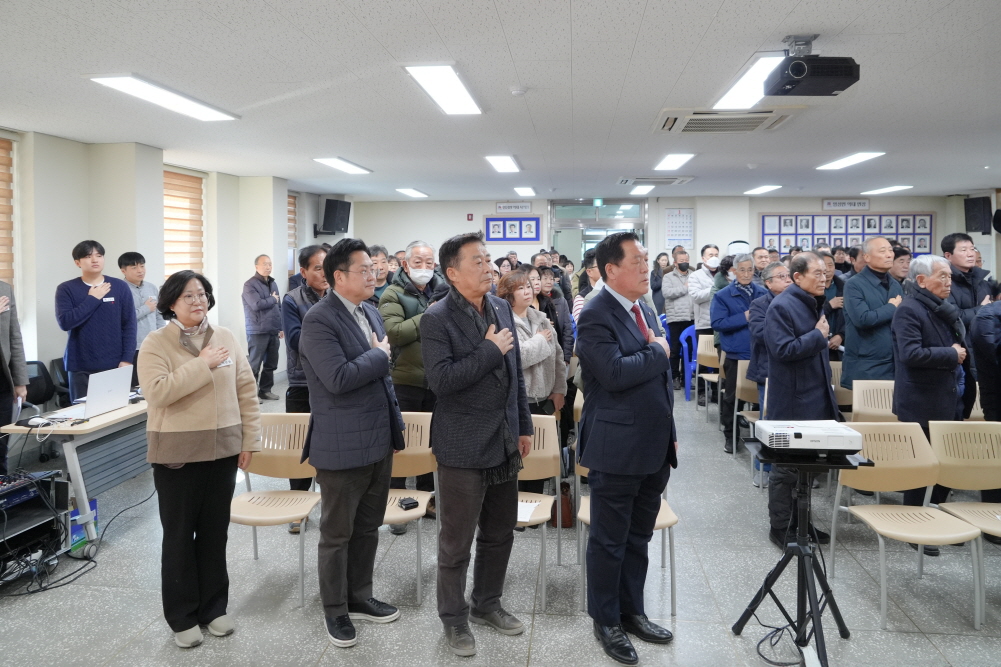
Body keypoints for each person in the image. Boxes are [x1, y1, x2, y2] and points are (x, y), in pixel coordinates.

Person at [420, 231, 533, 656]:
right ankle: (454, 619)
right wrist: (488, 350)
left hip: (503, 438)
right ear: (452, 272)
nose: (489, 268)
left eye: (489, 260)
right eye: (478, 262)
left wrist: (522, 425)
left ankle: (488, 603)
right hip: (463, 444)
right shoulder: (436, 318)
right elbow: (442, 381)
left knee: (500, 531)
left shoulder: (501, 305)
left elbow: (516, 372)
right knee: (456, 540)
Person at [138, 270, 261, 649]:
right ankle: (181, 616)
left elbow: (246, 388)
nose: (198, 301)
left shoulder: (224, 336)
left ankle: (213, 608)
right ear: (171, 303)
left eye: (202, 294)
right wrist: (202, 363)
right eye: (188, 296)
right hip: (176, 455)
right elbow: (157, 393)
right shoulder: (156, 343)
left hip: (222, 450)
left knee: (213, 533)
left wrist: (249, 439)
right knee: (178, 536)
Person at [298, 238, 405, 649]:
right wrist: (379, 356)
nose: (374, 275)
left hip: (378, 440)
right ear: (338, 276)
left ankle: (359, 596)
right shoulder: (319, 320)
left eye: (375, 268)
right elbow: (338, 378)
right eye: (364, 270)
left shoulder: (371, 312)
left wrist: (393, 430)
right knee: (337, 533)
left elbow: (384, 381)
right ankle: (335, 611)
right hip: (341, 444)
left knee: (368, 528)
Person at [576, 232, 677, 665]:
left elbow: (653, 377)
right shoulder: (596, 314)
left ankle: (632, 610)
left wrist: (670, 429)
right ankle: (606, 620)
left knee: (638, 537)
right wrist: (658, 351)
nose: (645, 267)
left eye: (645, 260)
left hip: (653, 443)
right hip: (616, 445)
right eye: (636, 261)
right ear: (610, 270)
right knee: (609, 540)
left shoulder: (643, 307)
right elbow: (614, 373)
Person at [892, 255, 988, 554]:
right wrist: (950, 354)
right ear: (921, 281)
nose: (949, 282)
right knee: (920, 468)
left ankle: (939, 518)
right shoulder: (909, 310)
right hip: (922, 398)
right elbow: (910, 354)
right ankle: (913, 527)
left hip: (952, 394)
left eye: (949, 277)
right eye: (942, 277)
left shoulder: (944, 308)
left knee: (947, 463)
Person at [763, 253, 837, 548]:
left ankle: (802, 524)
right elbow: (783, 350)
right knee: (786, 468)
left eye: (825, 272)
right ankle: (780, 527)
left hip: (814, 396)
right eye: (817, 273)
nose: (824, 277)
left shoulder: (810, 302)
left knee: (806, 466)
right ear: (797, 277)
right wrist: (819, 336)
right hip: (793, 399)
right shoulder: (781, 306)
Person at [379, 240, 444, 534]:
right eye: (418, 262)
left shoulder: (443, 288)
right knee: (403, 444)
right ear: (406, 264)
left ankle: (429, 500)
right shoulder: (394, 293)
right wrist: (429, 314)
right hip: (405, 380)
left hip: (439, 379)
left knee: (432, 443)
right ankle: (398, 505)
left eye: (429, 263)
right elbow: (394, 333)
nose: (424, 268)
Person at [498, 270, 566, 494]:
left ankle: (536, 501)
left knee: (538, 454)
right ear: (509, 294)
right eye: (520, 288)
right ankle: (515, 505)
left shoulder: (541, 318)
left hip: (544, 395)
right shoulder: (504, 322)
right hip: (520, 397)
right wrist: (539, 340)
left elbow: (557, 356)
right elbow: (517, 358)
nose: (527, 291)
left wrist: (559, 389)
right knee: (519, 453)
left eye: (528, 286)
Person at [281, 244, 329, 528]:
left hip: (333, 382)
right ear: (304, 271)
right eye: (318, 268)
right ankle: (297, 507)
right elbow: (295, 340)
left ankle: (330, 503)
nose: (324, 273)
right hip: (303, 382)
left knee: (330, 445)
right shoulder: (292, 299)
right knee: (298, 445)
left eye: (328, 266)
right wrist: (331, 347)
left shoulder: (338, 296)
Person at [56, 240, 137, 401]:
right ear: (77, 262)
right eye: (88, 256)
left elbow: (129, 325)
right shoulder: (66, 289)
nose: (95, 260)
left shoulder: (119, 286)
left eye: (99, 255)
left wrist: (127, 359)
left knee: (115, 414)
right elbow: (65, 322)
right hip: (80, 366)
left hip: (115, 364)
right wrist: (92, 299)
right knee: (84, 418)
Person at [711, 254, 767, 453]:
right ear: (734, 271)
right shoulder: (723, 295)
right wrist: (743, 317)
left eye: (749, 269)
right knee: (733, 397)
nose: (746, 274)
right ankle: (730, 436)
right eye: (741, 270)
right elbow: (717, 324)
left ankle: (762, 437)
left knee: (763, 397)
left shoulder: (762, 292)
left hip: (760, 352)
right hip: (736, 354)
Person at [841, 237, 904, 389]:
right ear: (867, 257)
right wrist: (891, 307)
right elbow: (863, 319)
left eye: (890, 250)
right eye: (882, 251)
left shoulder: (895, 284)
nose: (889, 255)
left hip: (893, 362)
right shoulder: (854, 284)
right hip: (866, 364)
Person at [747, 262, 791, 418]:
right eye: (781, 276)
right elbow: (761, 334)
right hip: (769, 368)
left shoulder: (799, 302)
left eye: (788, 275)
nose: (788, 280)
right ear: (768, 283)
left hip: (794, 369)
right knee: (769, 418)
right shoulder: (759, 305)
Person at [942, 232, 991, 363]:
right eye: (963, 250)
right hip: (959, 351)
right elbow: (954, 317)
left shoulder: (982, 282)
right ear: (948, 255)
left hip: (985, 347)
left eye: (972, 249)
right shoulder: (945, 283)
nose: (971, 254)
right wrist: (983, 309)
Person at [119, 251, 165, 387]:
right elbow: (122, 318)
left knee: (153, 382)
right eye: (134, 267)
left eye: (142, 266)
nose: (140, 271)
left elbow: (159, 314)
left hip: (153, 343)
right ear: (123, 271)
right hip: (132, 346)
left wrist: (162, 336)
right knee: (134, 385)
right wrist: (145, 308)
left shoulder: (151, 287)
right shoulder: (120, 289)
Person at [241, 254, 283, 401]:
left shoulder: (273, 283)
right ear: (256, 266)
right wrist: (272, 299)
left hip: (273, 329)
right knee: (254, 364)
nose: (268, 267)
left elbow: (279, 306)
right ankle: (251, 394)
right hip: (257, 330)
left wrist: (281, 327)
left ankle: (265, 390)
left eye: (270, 264)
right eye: (264, 264)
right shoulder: (249, 285)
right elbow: (256, 304)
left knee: (271, 363)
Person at [0, 279, 27, 475]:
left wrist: (20, 381)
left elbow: (14, 336)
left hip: (3, 381)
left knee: (1, 445)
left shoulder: (4, 288)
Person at [689, 244, 720, 405]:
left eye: (716, 254)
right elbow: (695, 296)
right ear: (703, 258)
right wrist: (715, 289)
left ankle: (716, 392)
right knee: (703, 359)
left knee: (719, 361)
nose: (713, 257)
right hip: (704, 322)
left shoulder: (724, 274)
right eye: (710, 254)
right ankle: (702, 392)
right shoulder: (696, 275)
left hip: (721, 323)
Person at [661, 251, 694, 390]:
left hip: (691, 317)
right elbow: (667, 293)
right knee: (675, 350)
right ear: (675, 263)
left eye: (686, 259)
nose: (684, 262)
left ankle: (687, 378)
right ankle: (674, 377)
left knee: (690, 350)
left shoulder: (694, 275)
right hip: (675, 318)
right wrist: (684, 288)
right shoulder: (668, 276)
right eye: (681, 260)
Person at [819, 252, 846, 361]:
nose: (828, 269)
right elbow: (807, 315)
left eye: (831, 265)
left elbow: (852, 316)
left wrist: (841, 335)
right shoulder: (810, 289)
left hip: (841, 344)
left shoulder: (844, 287)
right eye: (825, 266)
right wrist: (829, 306)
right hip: (818, 342)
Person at [572, 250, 603, 322]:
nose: (605, 269)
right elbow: (584, 326)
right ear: (589, 272)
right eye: (600, 266)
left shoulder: (614, 292)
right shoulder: (581, 299)